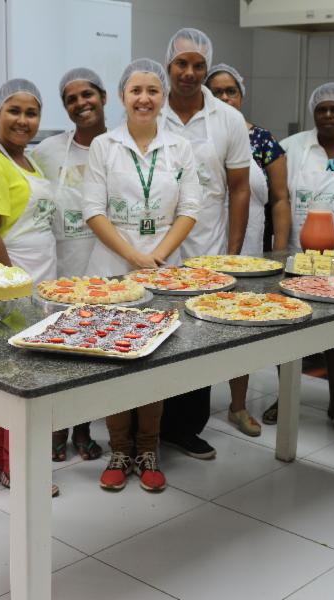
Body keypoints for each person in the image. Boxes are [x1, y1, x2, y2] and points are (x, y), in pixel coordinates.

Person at [84, 58, 200, 492]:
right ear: (122, 97)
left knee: (154, 358)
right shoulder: (104, 146)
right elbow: (93, 210)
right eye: (136, 91)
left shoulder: (179, 148)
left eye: (153, 91)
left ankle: (147, 449)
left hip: (164, 269)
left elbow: (191, 209)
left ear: (163, 98)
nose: (144, 98)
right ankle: (118, 448)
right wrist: (134, 255)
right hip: (113, 269)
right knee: (116, 357)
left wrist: (156, 256)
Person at [256, 83, 334, 431]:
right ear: (314, 113)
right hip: (297, 259)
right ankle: (285, 396)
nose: (328, 115)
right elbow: (275, 199)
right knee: (288, 331)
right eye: (322, 109)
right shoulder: (293, 148)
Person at [0, 78, 59, 496]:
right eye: (14, 111)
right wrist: (13, 285)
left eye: (31, 112)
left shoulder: (28, 161)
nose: (23, 120)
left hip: (38, 276)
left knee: (27, 376)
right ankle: (8, 464)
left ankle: (10, 460)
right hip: (10, 278)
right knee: (12, 377)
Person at [159, 28, 252, 459]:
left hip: (208, 245)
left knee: (198, 338)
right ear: (169, 65)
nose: (190, 73)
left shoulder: (227, 120)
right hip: (157, 245)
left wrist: (232, 253)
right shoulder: (150, 109)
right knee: (157, 334)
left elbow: (239, 188)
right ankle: (150, 425)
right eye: (182, 64)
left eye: (198, 65)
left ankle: (186, 426)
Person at [204, 62, 292, 437]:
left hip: (251, 248)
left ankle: (238, 406)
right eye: (217, 92)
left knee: (243, 326)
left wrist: (280, 253)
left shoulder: (263, 140)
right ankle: (188, 410)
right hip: (203, 242)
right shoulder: (200, 136)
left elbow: (281, 199)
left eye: (231, 91)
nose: (225, 98)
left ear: (242, 95)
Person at [31, 68, 107, 463]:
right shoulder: (47, 151)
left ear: (104, 97)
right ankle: (56, 429)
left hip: (108, 267)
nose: (81, 103)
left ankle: (85, 429)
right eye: (71, 99)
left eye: (87, 94)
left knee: (96, 354)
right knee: (61, 354)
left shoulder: (118, 146)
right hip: (61, 266)